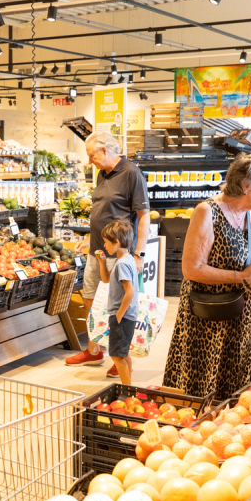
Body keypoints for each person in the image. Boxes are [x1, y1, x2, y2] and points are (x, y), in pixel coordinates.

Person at [163, 154, 251, 398]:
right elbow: (191, 269)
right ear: (247, 185)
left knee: (239, 381)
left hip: (245, 314)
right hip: (209, 315)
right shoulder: (207, 212)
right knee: (202, 382)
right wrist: (240, 277)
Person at [65, 132, 149, 377]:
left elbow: (144, 217)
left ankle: (119, 354)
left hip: (118, 251)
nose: (90, 161)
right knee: (92, 298)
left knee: (117, 305)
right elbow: (102, 210)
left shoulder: (132, 173)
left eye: (92, 155)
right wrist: (86, 240)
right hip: (97, 250)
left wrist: (139, 254)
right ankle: (94, 351)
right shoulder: (102, 174)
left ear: (104, 150)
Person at [96, 220, 138, 386]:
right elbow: (106, 279)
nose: (105, 245)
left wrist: (118, 316)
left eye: (106, 242)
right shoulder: (126, 260)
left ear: (117, 242)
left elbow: (130, 292)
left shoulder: (122, 264)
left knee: (116, 355)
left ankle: (128, 390)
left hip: (122, 315)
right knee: (123, 353)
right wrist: (102, 262)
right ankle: (129, 388)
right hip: (127, 314)